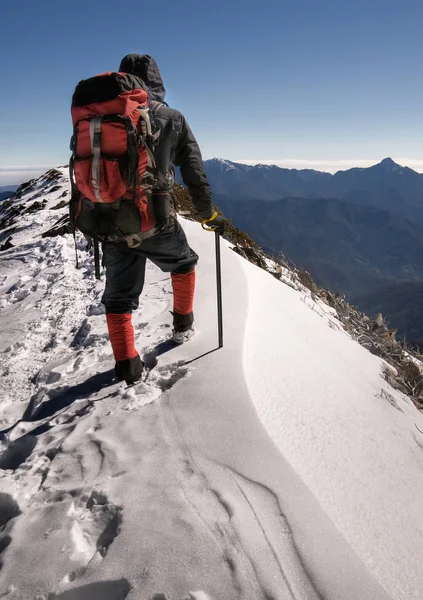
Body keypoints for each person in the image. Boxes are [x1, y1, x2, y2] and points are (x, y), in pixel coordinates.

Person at [102, 54, 226, 385]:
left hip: (108, 220)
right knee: (183, 263)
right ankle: (183, 328)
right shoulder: (171, 117)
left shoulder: (102, 117)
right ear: (158, 82)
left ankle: (127, 365)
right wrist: (207, 213)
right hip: (154, 218)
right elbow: (193, 171)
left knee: (117, 298)